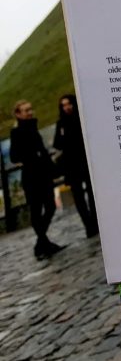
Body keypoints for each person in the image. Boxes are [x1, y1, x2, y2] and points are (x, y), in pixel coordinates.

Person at [9, 100, 65, 260]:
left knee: (50, 207)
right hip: (31, 176)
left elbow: (42, 150)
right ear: (18, 114)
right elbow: (14, 156)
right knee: (36, 210)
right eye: (26, 110)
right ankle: (43, 244)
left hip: (44, 174)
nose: (30, 112)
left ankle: (41, 243)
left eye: (30, 109)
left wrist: (51, 168)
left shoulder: (33, 128)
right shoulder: (17, 132)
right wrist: (32, 156)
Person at [53, 93, 98, 237]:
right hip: (71, 164)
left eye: (68, 104)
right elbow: (57, 143)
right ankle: (88, 225)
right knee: (78, 196)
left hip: (84, 161)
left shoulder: (82, 118)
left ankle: (95, 221)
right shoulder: (61, 124)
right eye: (63, 105)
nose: (66, 107)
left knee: (92, 193)